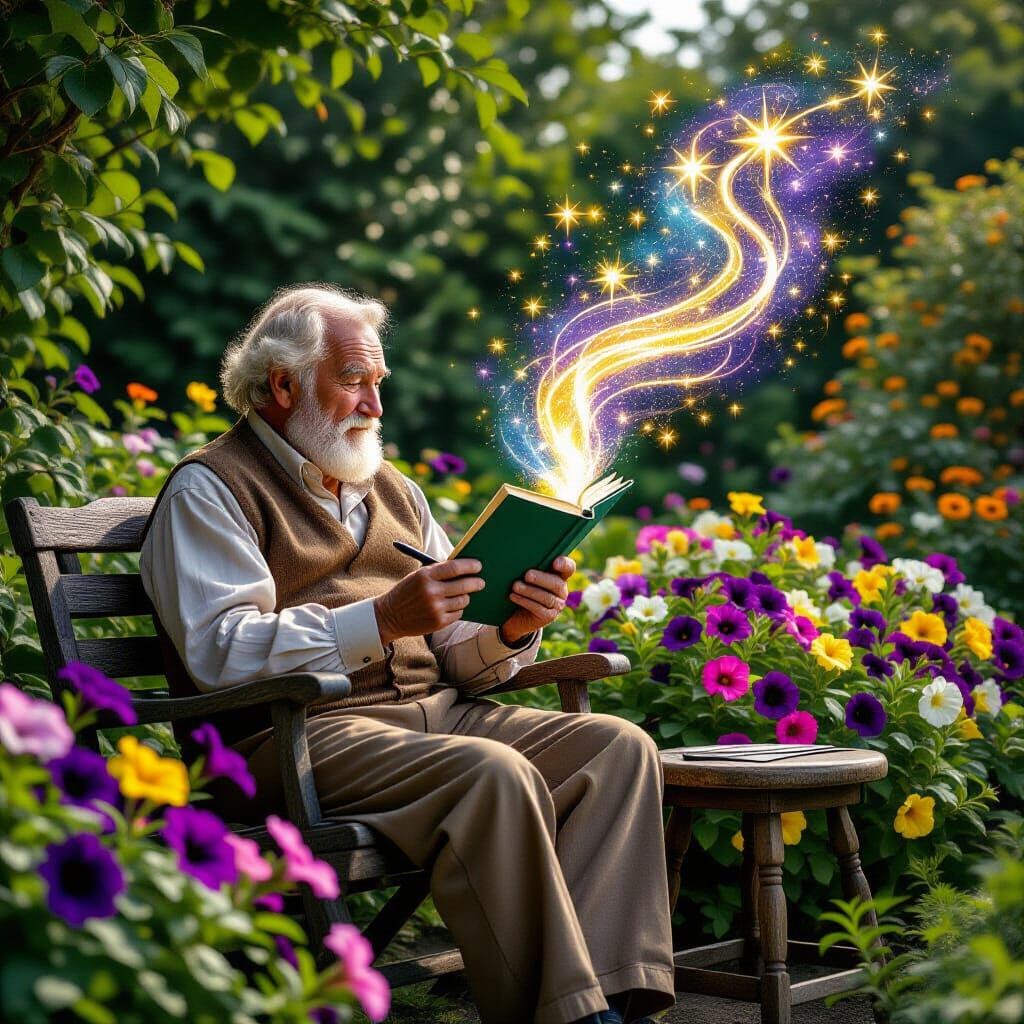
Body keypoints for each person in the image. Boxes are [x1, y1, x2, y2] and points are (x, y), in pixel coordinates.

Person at [139, 284, 675, 1024]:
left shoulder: (395, 490)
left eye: (378, 383)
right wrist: (382, 619)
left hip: (434, 717)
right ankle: (571, 1019)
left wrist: (513, 628)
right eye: (353, 380)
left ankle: (614, 998)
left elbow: (457, 657)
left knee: (616, 748)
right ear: (284, 383)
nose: (374, 406)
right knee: (492, 774)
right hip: (294, 740)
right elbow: (221, 654)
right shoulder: (211, 488)